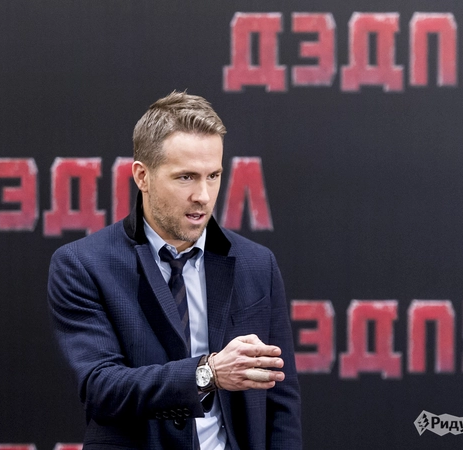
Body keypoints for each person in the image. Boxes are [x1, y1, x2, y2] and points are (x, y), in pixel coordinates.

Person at [47, 91, 302, 449]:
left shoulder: (257, 264)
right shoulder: (82, 264)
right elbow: (102, 389)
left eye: (213, 176)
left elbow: (280, 401)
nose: (203, 195)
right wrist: (208, 373)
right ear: (142, 176)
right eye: (186, 177)